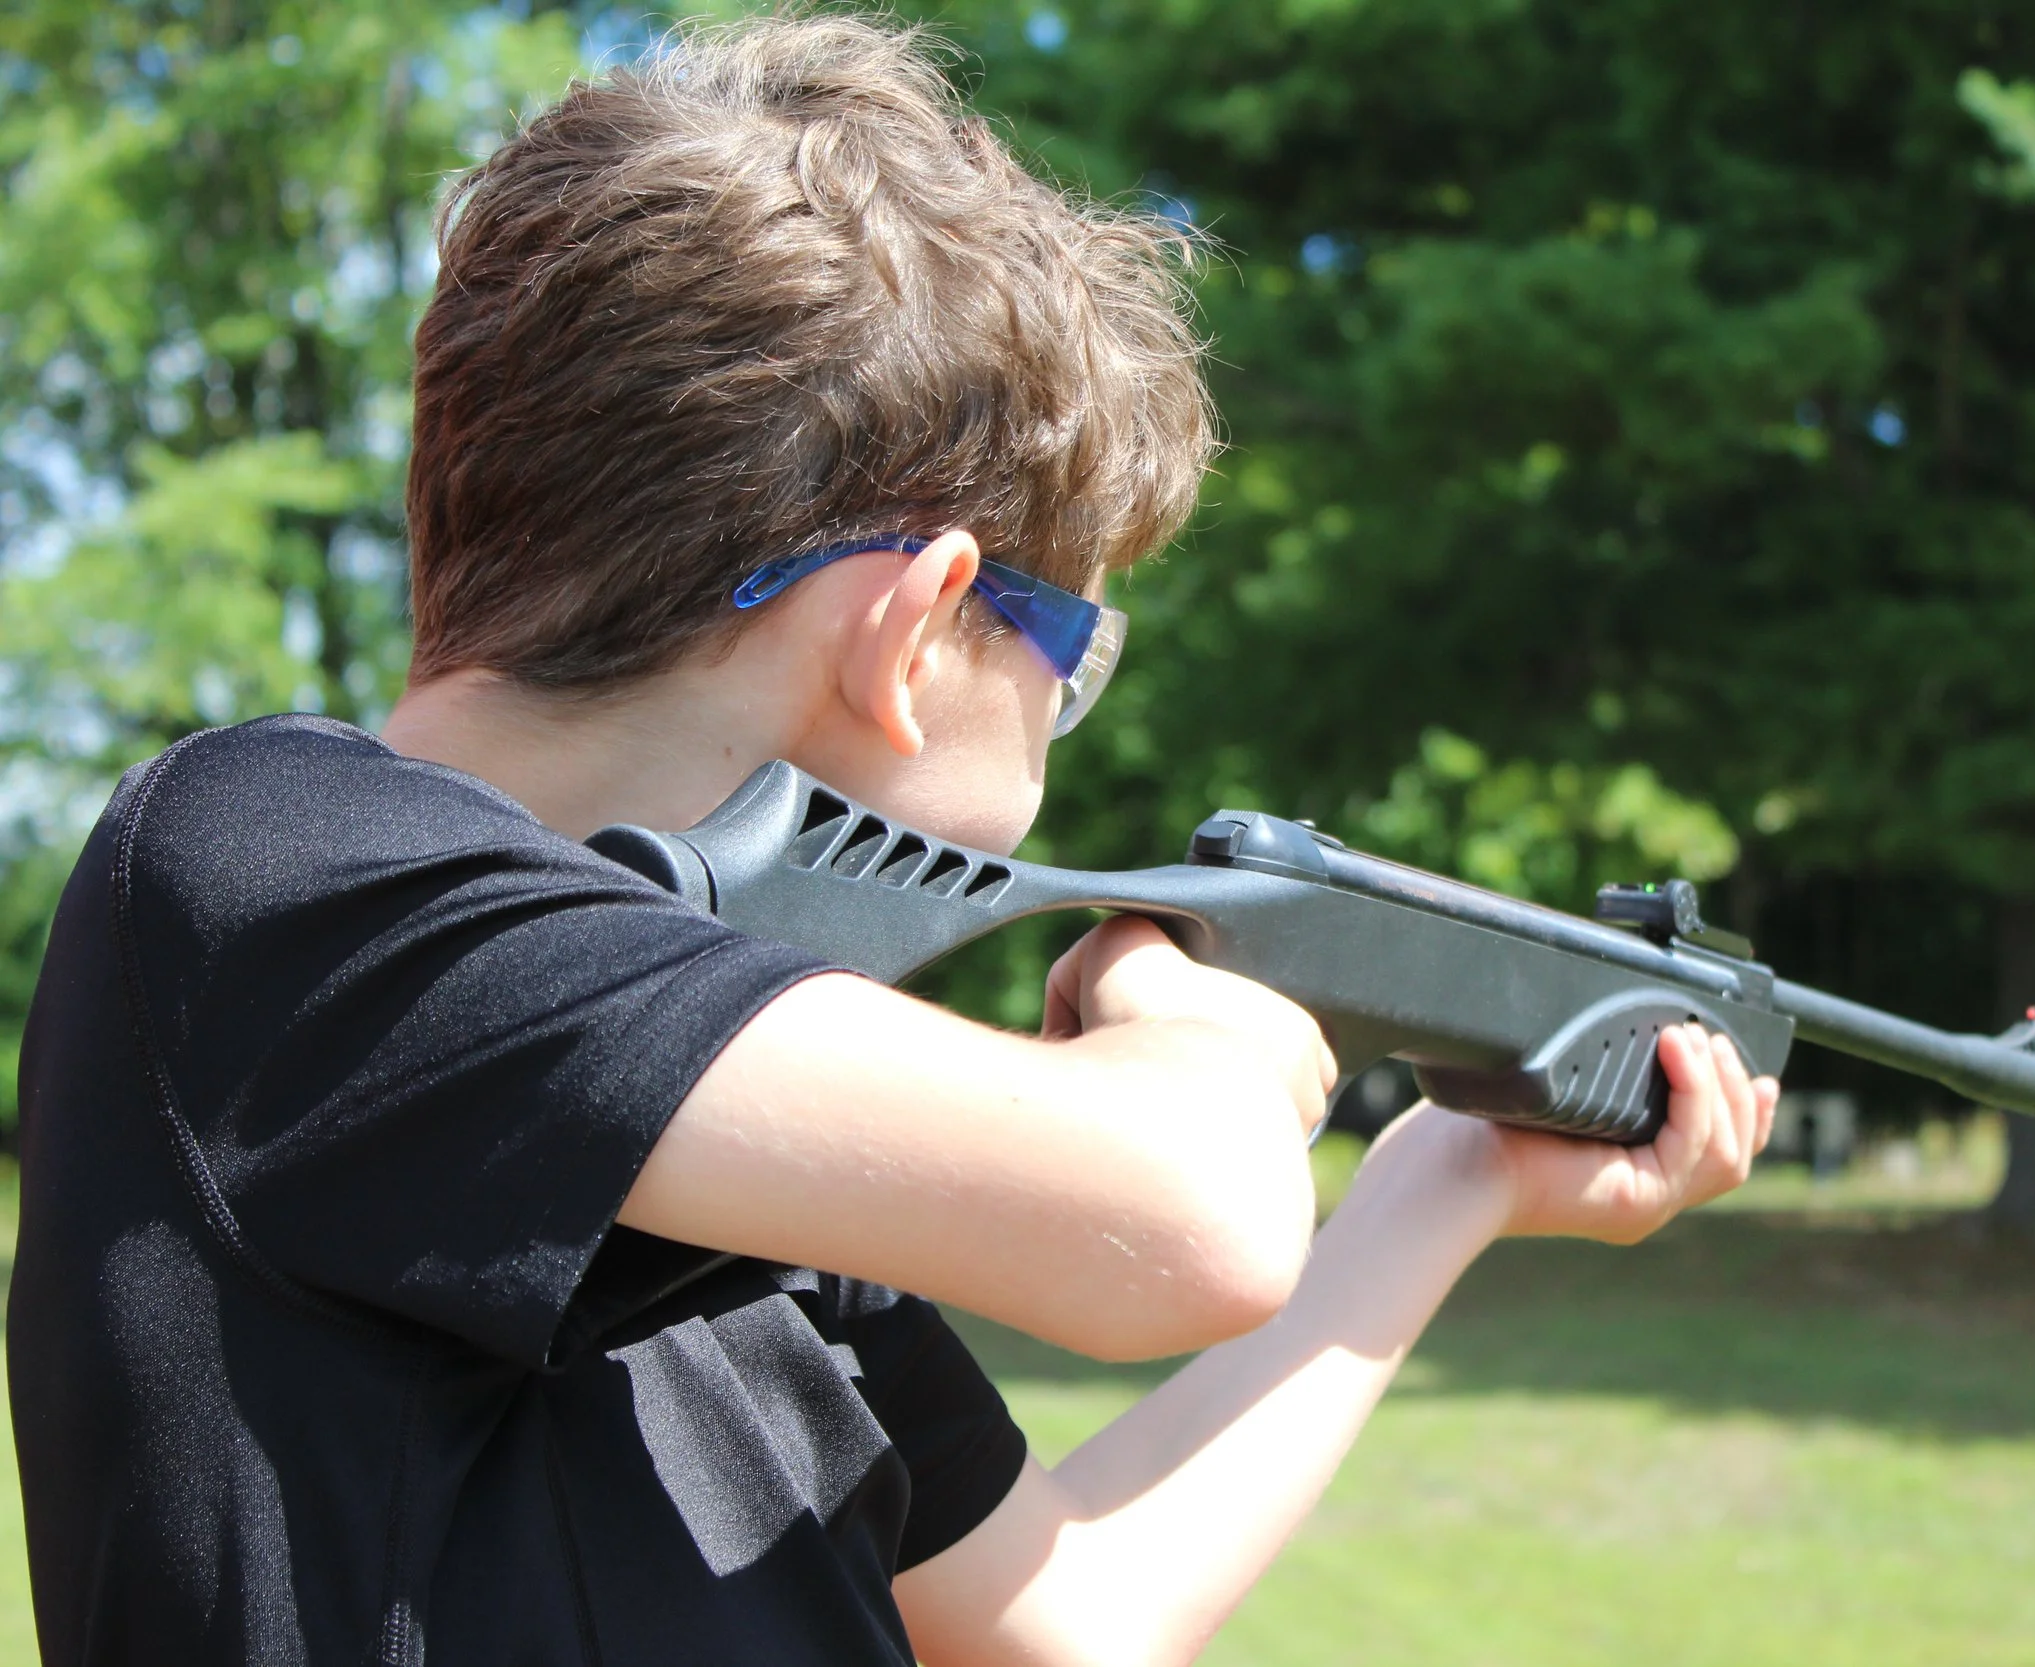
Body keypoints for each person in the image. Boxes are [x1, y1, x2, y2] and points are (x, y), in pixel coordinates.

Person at [6, 14, 1779, 1666]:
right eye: (1072, 658)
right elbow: (1201, 1217)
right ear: (916, 628)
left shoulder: (735, 1097)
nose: (1064, 723)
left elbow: (1071, 1613)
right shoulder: (269, 863)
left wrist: (1442, 1185)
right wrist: (1203, 1029)